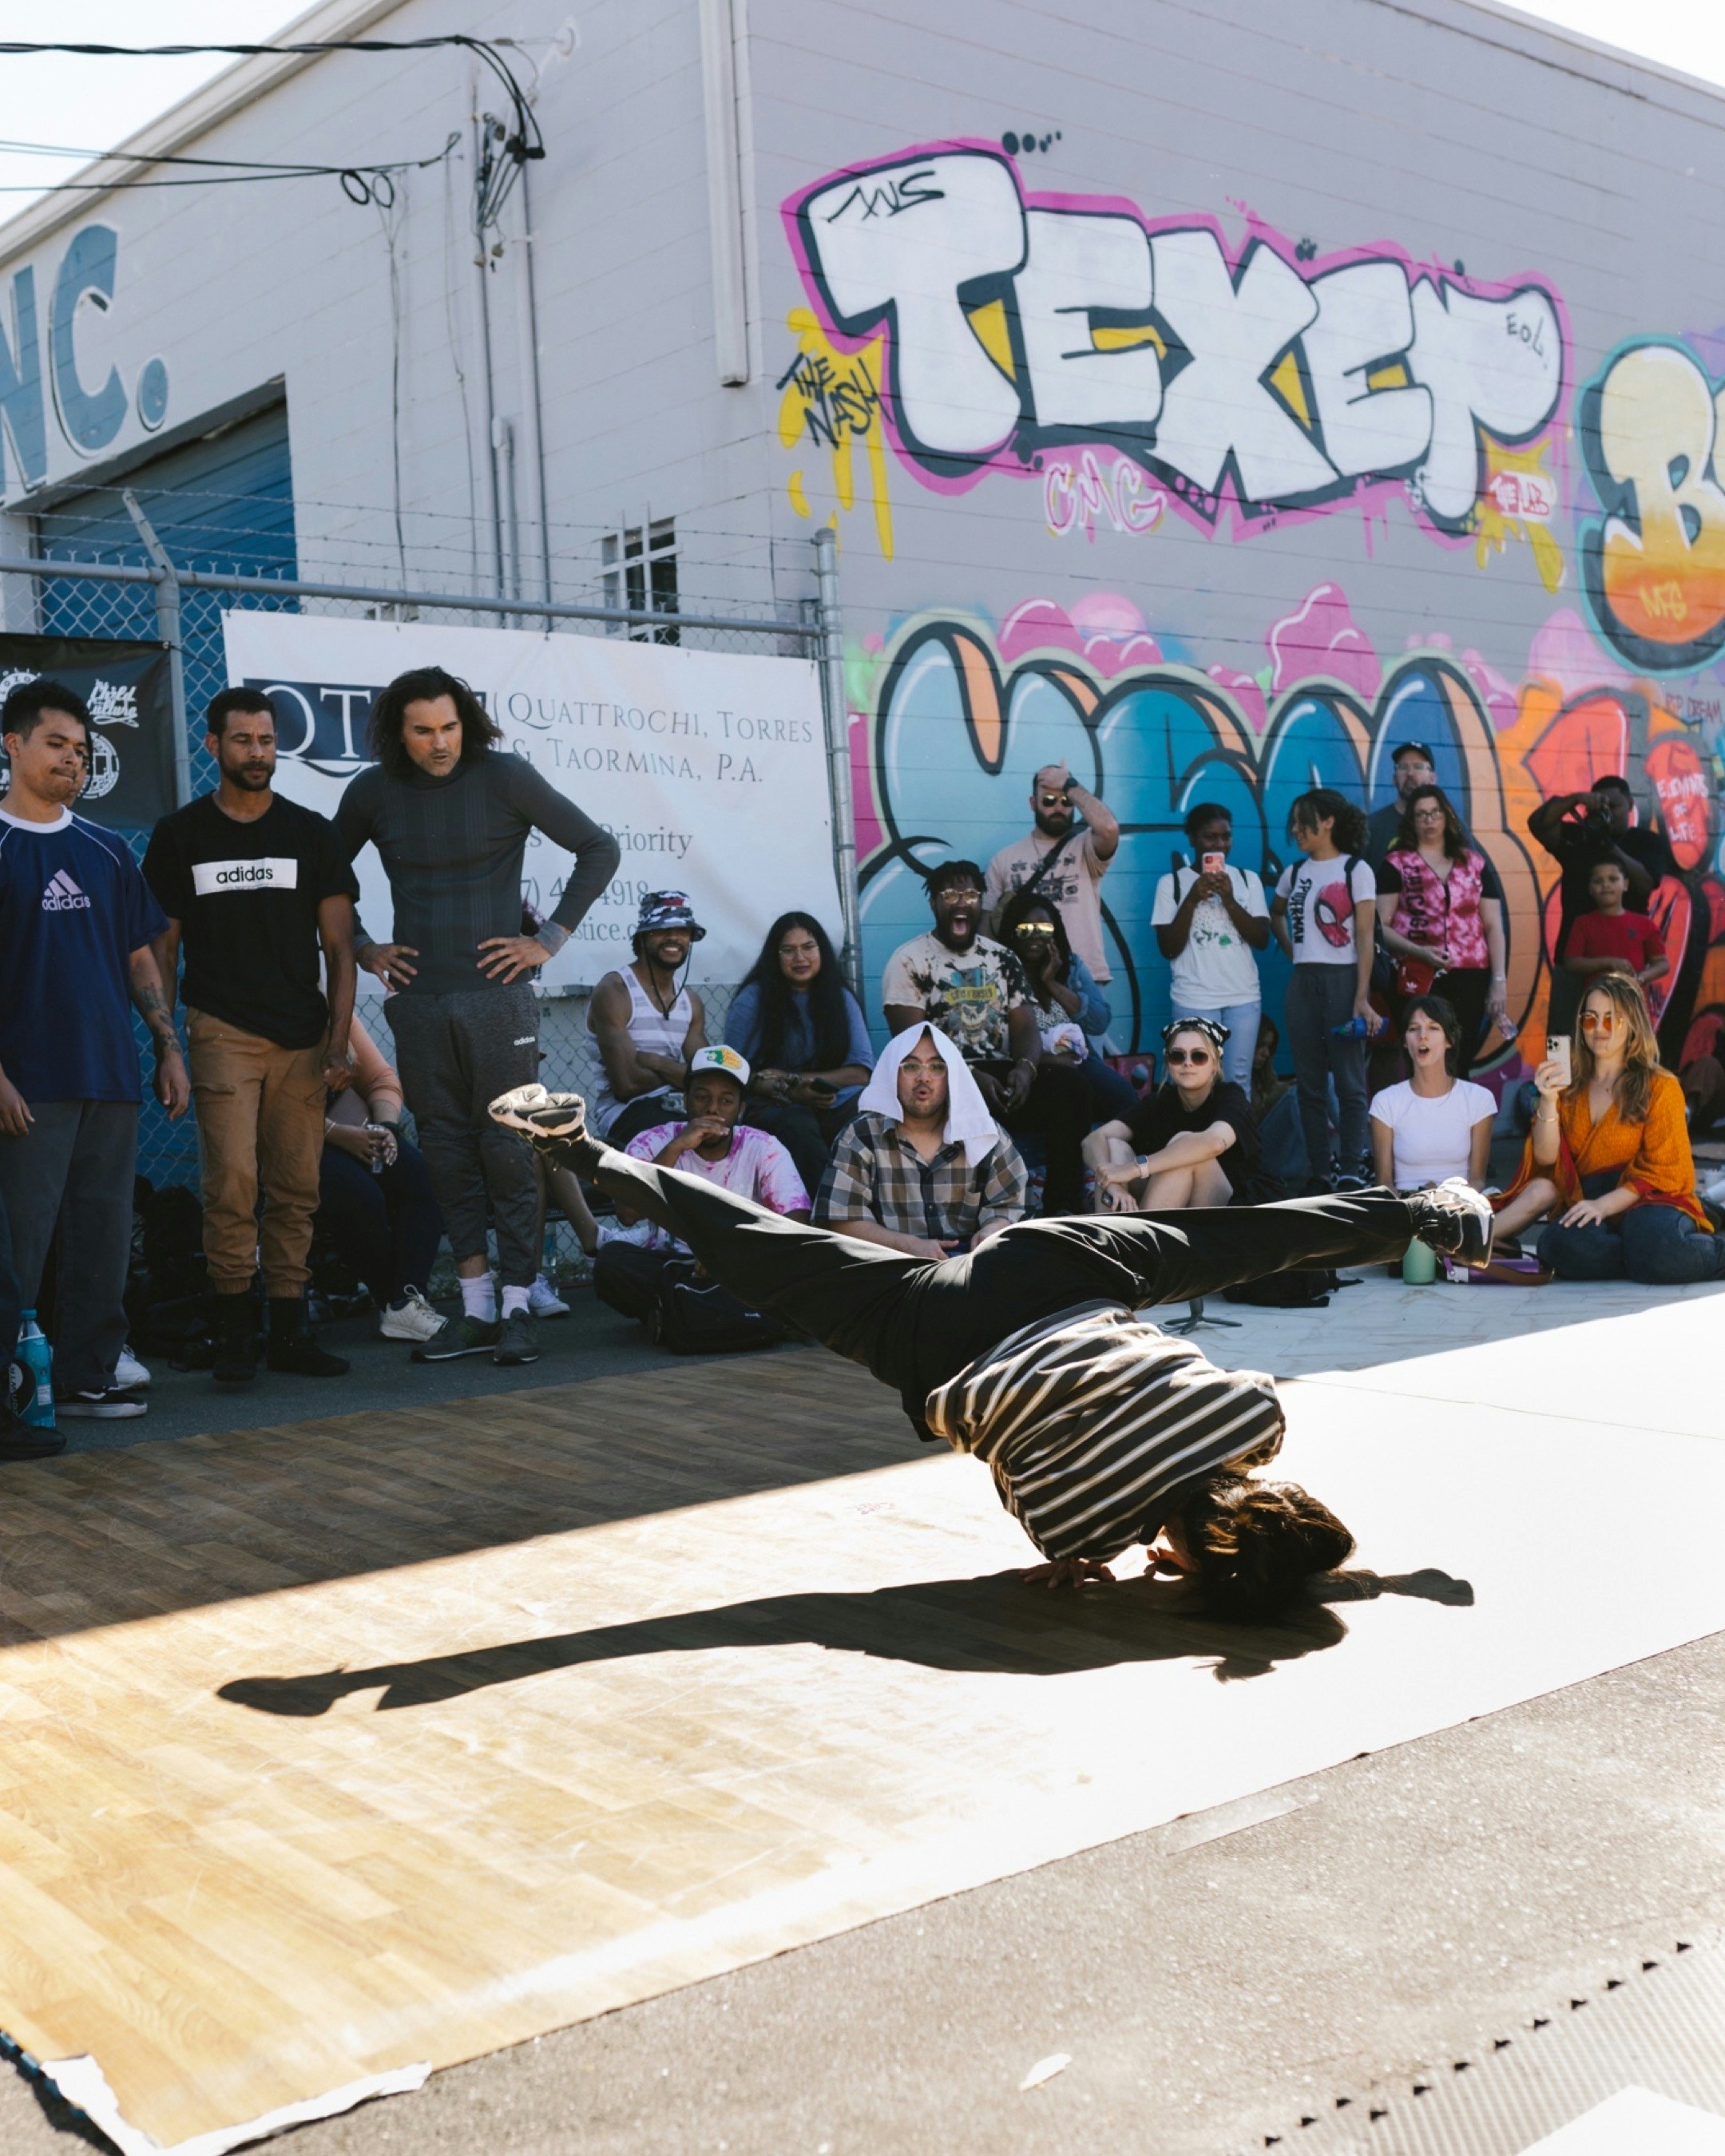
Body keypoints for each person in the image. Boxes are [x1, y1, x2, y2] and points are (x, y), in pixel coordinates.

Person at [493, 1084, 1494, 1610]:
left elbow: (1253, 1461)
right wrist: (1089, 1550)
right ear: (1186, 1561)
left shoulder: (1248, 1426)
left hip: (1057, 1272)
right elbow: (1032, 1488)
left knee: (1246, 1243)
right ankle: (585, 1153)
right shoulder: (1079, 1528)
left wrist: (1377, 1577)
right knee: (762, 1252)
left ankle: (1427, 1214)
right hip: (940, 1340)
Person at [333, 666, 620, 1370]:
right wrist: (366, 947)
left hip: (499, 1000)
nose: (440, 743)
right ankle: (476, 1309)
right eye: (424, 730)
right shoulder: (372, 791)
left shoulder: (504, 777)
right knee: (451, 1154)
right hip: (420, 1002)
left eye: (451, 726)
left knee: (509, 1149)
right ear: (398, 733)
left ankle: (520, 1304)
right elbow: (325, 878)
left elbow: (599, 848)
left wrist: (546, 939)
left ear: (468, 721)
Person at [145, 688, 359, 1385]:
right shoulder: (180, 835)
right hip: (220, 1030)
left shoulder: (310, 832)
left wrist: (337, 1040)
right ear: (214, 746)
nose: (257, 753)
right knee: (232, 1182)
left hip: (301, 1036)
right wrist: (168, 1041)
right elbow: (164, 949)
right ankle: (237, 1332)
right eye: (243, 741)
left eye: (266, 741)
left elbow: (340, 947)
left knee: (297, 1187)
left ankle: (290, 1331)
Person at [0, 679, 188, 1419]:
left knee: (102, 1235)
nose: (73, 762)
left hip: (110, 1076)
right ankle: (15, 1392)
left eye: (82, 750)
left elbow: (139, 957)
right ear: (13, 745)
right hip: (28, 1084)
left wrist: (167, 1048)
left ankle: (86, 1374)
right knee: (19, 1243)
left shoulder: (108, 850)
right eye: (57, 745)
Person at [882, 859, 1089, 1213]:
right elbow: (911, 1040)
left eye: (970, 894)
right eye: (949, 895)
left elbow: (1024, 1025)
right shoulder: (910, 960)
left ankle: (1061, 1210)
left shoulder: (1003, 959)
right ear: (934, 904)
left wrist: (1025, 1069)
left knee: (1069, 1087)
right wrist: (968, 1077)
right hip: (938, 1077)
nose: (961, 903)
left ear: (981, 902)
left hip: (999, 1072)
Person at [1490, 973, 1724, 1282]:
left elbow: (1663, 1172)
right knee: (1559, 1246)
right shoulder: (1569, 1086)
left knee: (1658, 1248)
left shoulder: (1660, 1086)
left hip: (1650, 1198)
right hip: (1587, 1199)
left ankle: (1685, 1243)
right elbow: (1547, 1159)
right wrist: (1548, 1100)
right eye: (1590, 1020)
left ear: (1631, 1025)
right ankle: (1641, 1255)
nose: (1599, 1030)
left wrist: (1605, 1205)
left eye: (1611, 1020)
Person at [584, 1046, 811, 1335]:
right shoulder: (653, 1141)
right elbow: (628, 1214)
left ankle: (678, 1316)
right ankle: (738, 1318)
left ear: (741, 1110)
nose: (712, 1109)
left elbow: (798, 1226)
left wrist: (728, 1257)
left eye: (726, 1101)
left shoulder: (764, 1147)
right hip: (675, 1263)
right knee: (612, 1263)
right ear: (686, 1100)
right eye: (702, 1097)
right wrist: (677, 1147)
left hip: (742, 1264)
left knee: (799, 1265)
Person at [815, 1025, 1029, 1256]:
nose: (924, 1078)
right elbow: (840, 1220)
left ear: (952, 1077)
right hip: (891, 1267)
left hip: (969, 1270)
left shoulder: (983, 1134)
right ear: (892, 1074)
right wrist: (908, 1246)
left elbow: (1014, 1205)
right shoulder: (861, 1135)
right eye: (911, 1066)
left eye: (937, 1067)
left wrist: (993, 1230)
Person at [1270, 790, 1380, 1193]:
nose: (1296, 830)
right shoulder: (1295, 872)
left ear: (1329, 821)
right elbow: (1275, 914)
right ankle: (1321, 1169)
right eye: (1294, 822)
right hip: (1304, 982)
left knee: (1350, 1082)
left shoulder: (1356, 869)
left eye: (1304, 821)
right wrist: (1293, 952)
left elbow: (1365, 938)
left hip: (1344, 980)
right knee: (1309, 1084)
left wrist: (1361, 996)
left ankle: (1351, 1165)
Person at [317, 1010, 447, 1344]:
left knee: (420, 1175)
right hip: (299, 1141)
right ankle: (391, 1300)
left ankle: (408, 1296)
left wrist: (386, 1128)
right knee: (359, 1195)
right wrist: (336, 1134)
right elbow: (271, 1112)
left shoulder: (333, 1007)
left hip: (354, 1131)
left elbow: (381, 1080)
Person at [726, 912, 872, 1191]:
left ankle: (877, 1209)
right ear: (774, 956)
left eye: (808, 947)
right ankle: (824, 1217)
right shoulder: (752, 999)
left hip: (833, 1101)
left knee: (872, 1112)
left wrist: (798, 1079)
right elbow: (734, 1073)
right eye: (788, 950)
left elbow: (861, 1072)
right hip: (773, 1103)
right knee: (798, 1126)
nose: (800, 958)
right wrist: (789, 1090)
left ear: (822, 951)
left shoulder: (839, 997)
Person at [1084, 1017, 1278, 1215]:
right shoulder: (1160, 1101)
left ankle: (1142, 1238)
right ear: (1168, 1063)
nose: (1187, 1064)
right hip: (1170, 1205)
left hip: (1230, 1212)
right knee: (1115, 1146)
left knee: (1186, 1144)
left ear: (1215, 1063)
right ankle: (1111, 1236)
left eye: (1199, 1057)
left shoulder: (1230, 1096)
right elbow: (1094, 1139)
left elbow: (1214, 1143)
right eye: (1178, 1056)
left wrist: (1135, 1169)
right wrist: (1110, 1181)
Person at [1374, 784, 1509, 1068]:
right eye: (1421, 814)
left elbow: (1494, 925)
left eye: (1435, 813)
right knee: (1423, 1060)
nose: (1429, 820)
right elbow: (1381, 926)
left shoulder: (1474, 863)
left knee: (1460, 1057)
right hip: (1416, 972)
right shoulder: (1396, 863)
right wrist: (1419, 951)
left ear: (1447, 816)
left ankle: (1462, 1113)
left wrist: (1499, 981)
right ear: (1411, 820)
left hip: (1471, 974)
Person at [1529, 775, 1673, 1034]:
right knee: (1561, 1038)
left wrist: (1608, 845)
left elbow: (1645, 882)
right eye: (1600, 807)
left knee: (1620, 1040)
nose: (1607, 813)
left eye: (1614, 806)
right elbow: (1538, 824)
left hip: (1624, 965)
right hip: (1574, 962)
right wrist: (1574, 800)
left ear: (1630, 803)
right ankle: (1559, 1077)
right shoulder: (1579, 837)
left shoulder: (1646, 842)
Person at [1150, 802, 1270, 1087]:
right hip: (1194, 997)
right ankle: (1197, 1134)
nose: (1219, 844)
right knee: (1197, 1081)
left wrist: (1229, 900)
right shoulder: (1172, 884)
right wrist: (1191, 900)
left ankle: (1233, 1134)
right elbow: (1168, 948)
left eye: (1226, 836)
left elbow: (1262, 939)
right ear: (1192, 838)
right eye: (1209, 837)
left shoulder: (1247, 880)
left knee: (1238, 1080)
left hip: (1243, 996)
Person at [995, 887, 1139, 1124]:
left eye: (1044, 929)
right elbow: (999, 1042)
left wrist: (1051, 983)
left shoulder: (1070, 967)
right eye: (1025, 929)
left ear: (1055, 932)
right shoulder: (999, 973)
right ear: (1012, 932)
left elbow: (1099, 1022)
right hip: (1029, 1067)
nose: (1035, 936)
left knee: (1124, 1097)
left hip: (1080, 1063)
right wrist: (1047, 1061)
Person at [589, 890, 709, 1149]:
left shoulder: (691, 1001)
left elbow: (709, 1079)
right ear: (643, 937)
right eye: (662, 930)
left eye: (682, 931)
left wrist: (658, 1064)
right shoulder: (614, 991)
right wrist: (686, 1076)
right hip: (627, 1114)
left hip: (681, 1106)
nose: (674, 938)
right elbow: (627, 1085)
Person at [983, 759, 1120, 985]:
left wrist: (1069, 784)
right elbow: (987, 923)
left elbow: (1109, 828)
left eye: (1066, 801)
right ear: (1032, 803)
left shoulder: (1086, 847)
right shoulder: (1004, 859)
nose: (1058, 808)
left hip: (1082, 977)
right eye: (1048, 800)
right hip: (1025, 978)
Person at [1368, 997, 1497, 1191]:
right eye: (1413, 1029)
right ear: (1405, 1042)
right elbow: (1384, 1184)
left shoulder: (1479, 1099)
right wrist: (1418, 1203)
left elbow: (1478, 1181)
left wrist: (1444, 1201)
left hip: (1459, 1207)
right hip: (1407, 1209)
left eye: (1433, 1028)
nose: (1422, 1036)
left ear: (1449, 1040)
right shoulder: (1385, 1102)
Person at [1561, 859, 1668, 1017]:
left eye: (1613, 879)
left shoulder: (1644, 924)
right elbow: (1571, 963)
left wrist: (1641, 978)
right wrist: (1609, 962)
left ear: (1625, 884)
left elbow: (1662, 964)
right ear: (1590, 889)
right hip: (1596, 1006)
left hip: (1633, 1006)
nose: (1606, 885)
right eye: (1598, 881)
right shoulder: (1582, 923)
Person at [1366, 740, 1473, 865]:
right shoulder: (1371, 827)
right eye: (1403, 767)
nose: (1410, 773)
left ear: (1433, 778)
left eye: (1418, 767)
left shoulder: (1454, 827)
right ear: (1394, 779)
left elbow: (1474, 874)